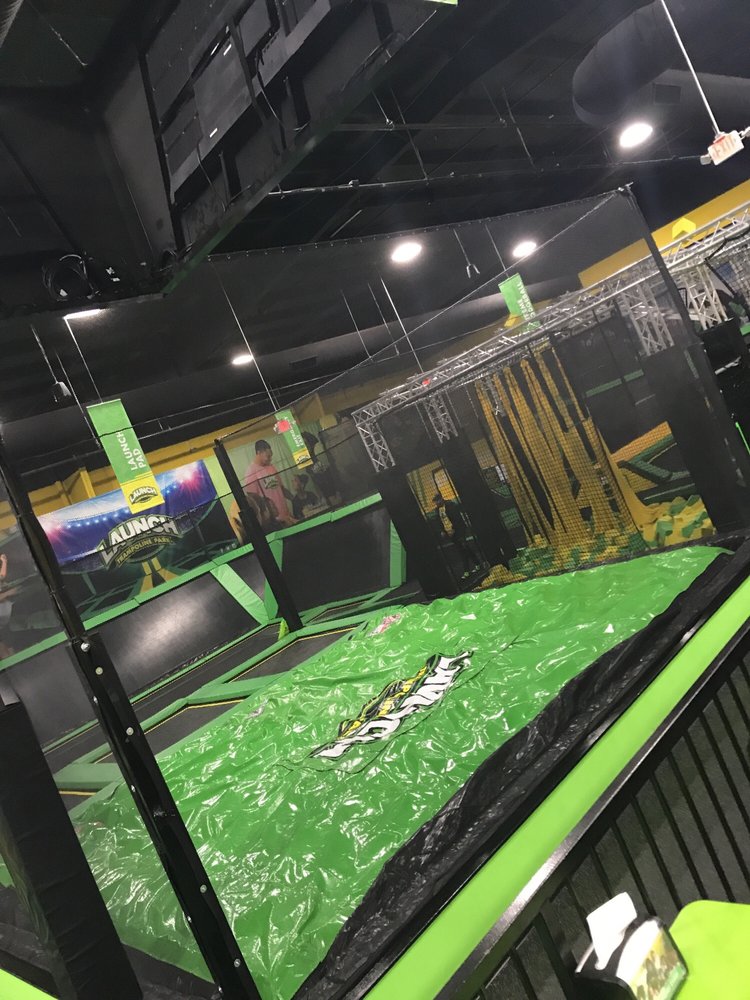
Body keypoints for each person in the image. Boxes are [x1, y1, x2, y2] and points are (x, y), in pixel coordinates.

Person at [244, 440, 296, 530]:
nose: (270, 459)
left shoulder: (271, 466)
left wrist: (295, 499)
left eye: (270, 456)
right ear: (259, 452)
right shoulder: (251, 471)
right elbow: (253, 500)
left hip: (286, 515)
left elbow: (281, 488)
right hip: (273, 521)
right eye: (268, 456)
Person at [433, 493, 481, 577]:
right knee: (463, 549)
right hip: (450, 533)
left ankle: (467, 570)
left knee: (463, 549)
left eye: (437, 500)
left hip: (458, 531)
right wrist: (443, 531)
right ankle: (477, 564)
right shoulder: (437, 510)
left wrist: (453, 529)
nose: (436, 503)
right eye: (435, 501)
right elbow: (440, 521)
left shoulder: (450, 505)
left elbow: (457, 518)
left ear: (441, 499)